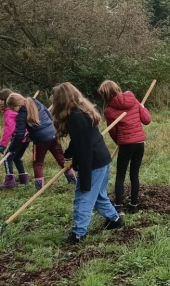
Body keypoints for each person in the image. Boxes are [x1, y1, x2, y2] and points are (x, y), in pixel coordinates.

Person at [50, 82, 124, 244]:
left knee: (83, 197)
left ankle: (78, 234)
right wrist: (68, 156)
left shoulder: (76, 118)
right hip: (102, 158)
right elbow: (79, 142)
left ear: (62, 100)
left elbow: (84, 150)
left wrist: (84, 179)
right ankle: (116, 220)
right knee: (98, 196)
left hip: (93, 163)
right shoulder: (81, 111)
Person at [98, 80, 152, 213]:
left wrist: (120, 141)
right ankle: (134, 206)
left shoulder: (109, 110)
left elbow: (113, 132)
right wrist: (141, 107)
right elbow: (147, 120)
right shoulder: (133, 101)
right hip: (139, 143)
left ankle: (119, 207)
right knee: (134, 174)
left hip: (126, 144)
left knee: (120, 175)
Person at [5, 93, 76, 191]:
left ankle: (40, 189)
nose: (13, 111)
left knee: (37, 163)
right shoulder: (35, 101)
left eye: (13, 109)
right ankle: (73, 181)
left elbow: (19, 135)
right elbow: (49, 114)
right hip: (53, 134)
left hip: (40, 140)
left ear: (17, 105)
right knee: (61, 159)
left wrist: (12, 149)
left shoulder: (21, 115)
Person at [0, 89, 30, 189]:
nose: (0, 101)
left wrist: (3, 144)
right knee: (17, 157)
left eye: (1, 99)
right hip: (26, 138)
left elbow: (9, 130)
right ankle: (24, 178)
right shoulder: (16, 110)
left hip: (19, 138)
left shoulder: (9, 112)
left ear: (7, 100)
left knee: (7, 158)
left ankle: (9, 182)